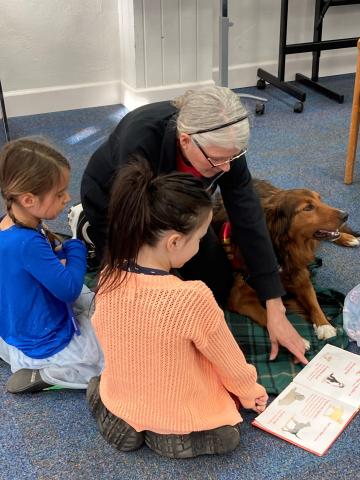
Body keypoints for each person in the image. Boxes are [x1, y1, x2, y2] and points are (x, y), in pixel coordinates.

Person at [76, 85, 308, 365]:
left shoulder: (224, 144)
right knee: (143, 304)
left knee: (218, 284)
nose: (226, 168)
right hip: (116, 205)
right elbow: (135, 222)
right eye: (218, 160)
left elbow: (247, 215)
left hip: (186, 209)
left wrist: (274, 303)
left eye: (233, 158)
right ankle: (89, 230)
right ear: (185, 141)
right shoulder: (141, 138)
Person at [87, 160, 268, 458]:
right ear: (173, 242)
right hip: (177, 406)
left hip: (123, 393)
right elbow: (228, 359)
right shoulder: (191, 297)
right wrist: (251, 392)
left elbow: (105, 334)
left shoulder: (109, 275)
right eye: (199, 238)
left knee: (106, 384)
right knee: (228, 437)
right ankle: (166, 434)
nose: (200, 246)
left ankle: (121, 416)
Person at [0, 139, 103, 393]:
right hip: (43, 340)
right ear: (28, 199)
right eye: (59, 194)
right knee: (114, 357)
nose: (67, 198)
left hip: (19, 325)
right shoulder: (26, 243)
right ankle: (49, 374)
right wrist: (77, 246)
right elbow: (68, 289)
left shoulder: (9, 222)